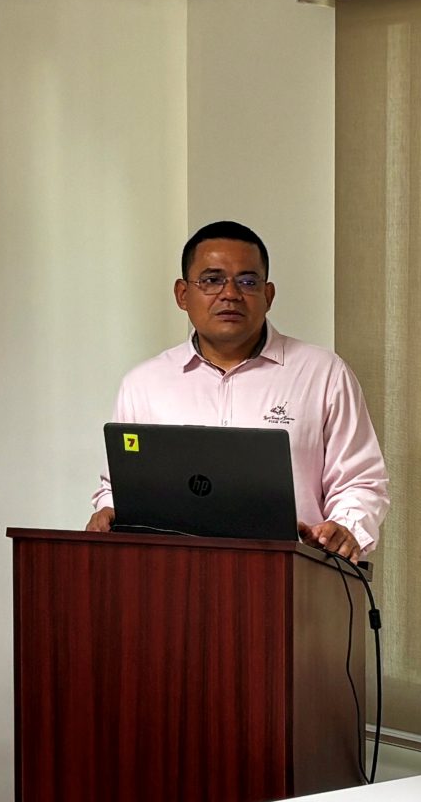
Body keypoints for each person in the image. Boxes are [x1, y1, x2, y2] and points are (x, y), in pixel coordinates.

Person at [86, 221, 389, 560]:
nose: (230, 294)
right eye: (212, 280)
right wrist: (109, 509)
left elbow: (360, 481)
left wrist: (344, 528)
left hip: (292, 574)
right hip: (170, 574)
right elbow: (119, 486)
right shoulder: (144, 383)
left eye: (247, 281)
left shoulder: (323, 373)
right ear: (183, 295)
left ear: (268, 295)